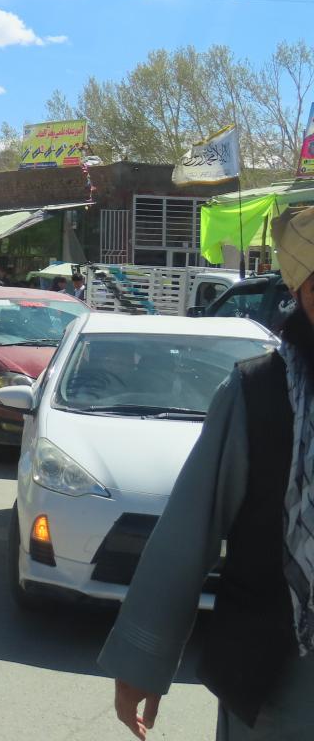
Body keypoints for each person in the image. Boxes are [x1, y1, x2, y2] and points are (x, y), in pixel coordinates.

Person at [98, 205, 314, 739]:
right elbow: (188, 533)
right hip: (278, 684)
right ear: (299, 292)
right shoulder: (257, 394)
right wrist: (142, 661)